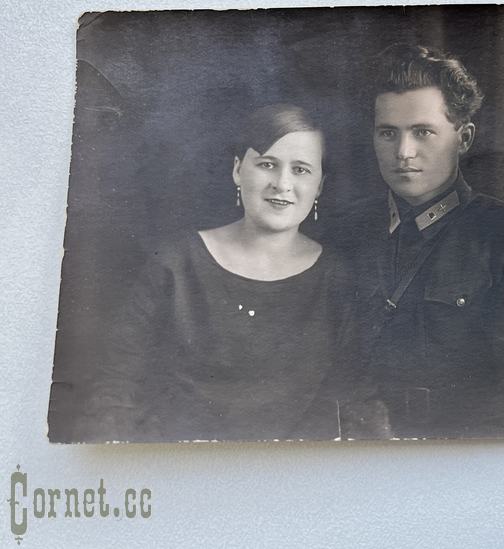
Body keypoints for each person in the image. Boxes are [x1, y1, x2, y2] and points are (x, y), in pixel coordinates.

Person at [86, 104, 386, 442]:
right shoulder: (176, 265)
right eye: (267, 164)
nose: (282, 184)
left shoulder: (337, 279)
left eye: (301, 170)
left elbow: (357, 400)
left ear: (319, 186)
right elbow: (117, 388)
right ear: (238, 171)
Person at [348, 44, 504, 439]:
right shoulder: (344, 231)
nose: (403, 152)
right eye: (388, 133)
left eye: (423, 132)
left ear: (464, 138)